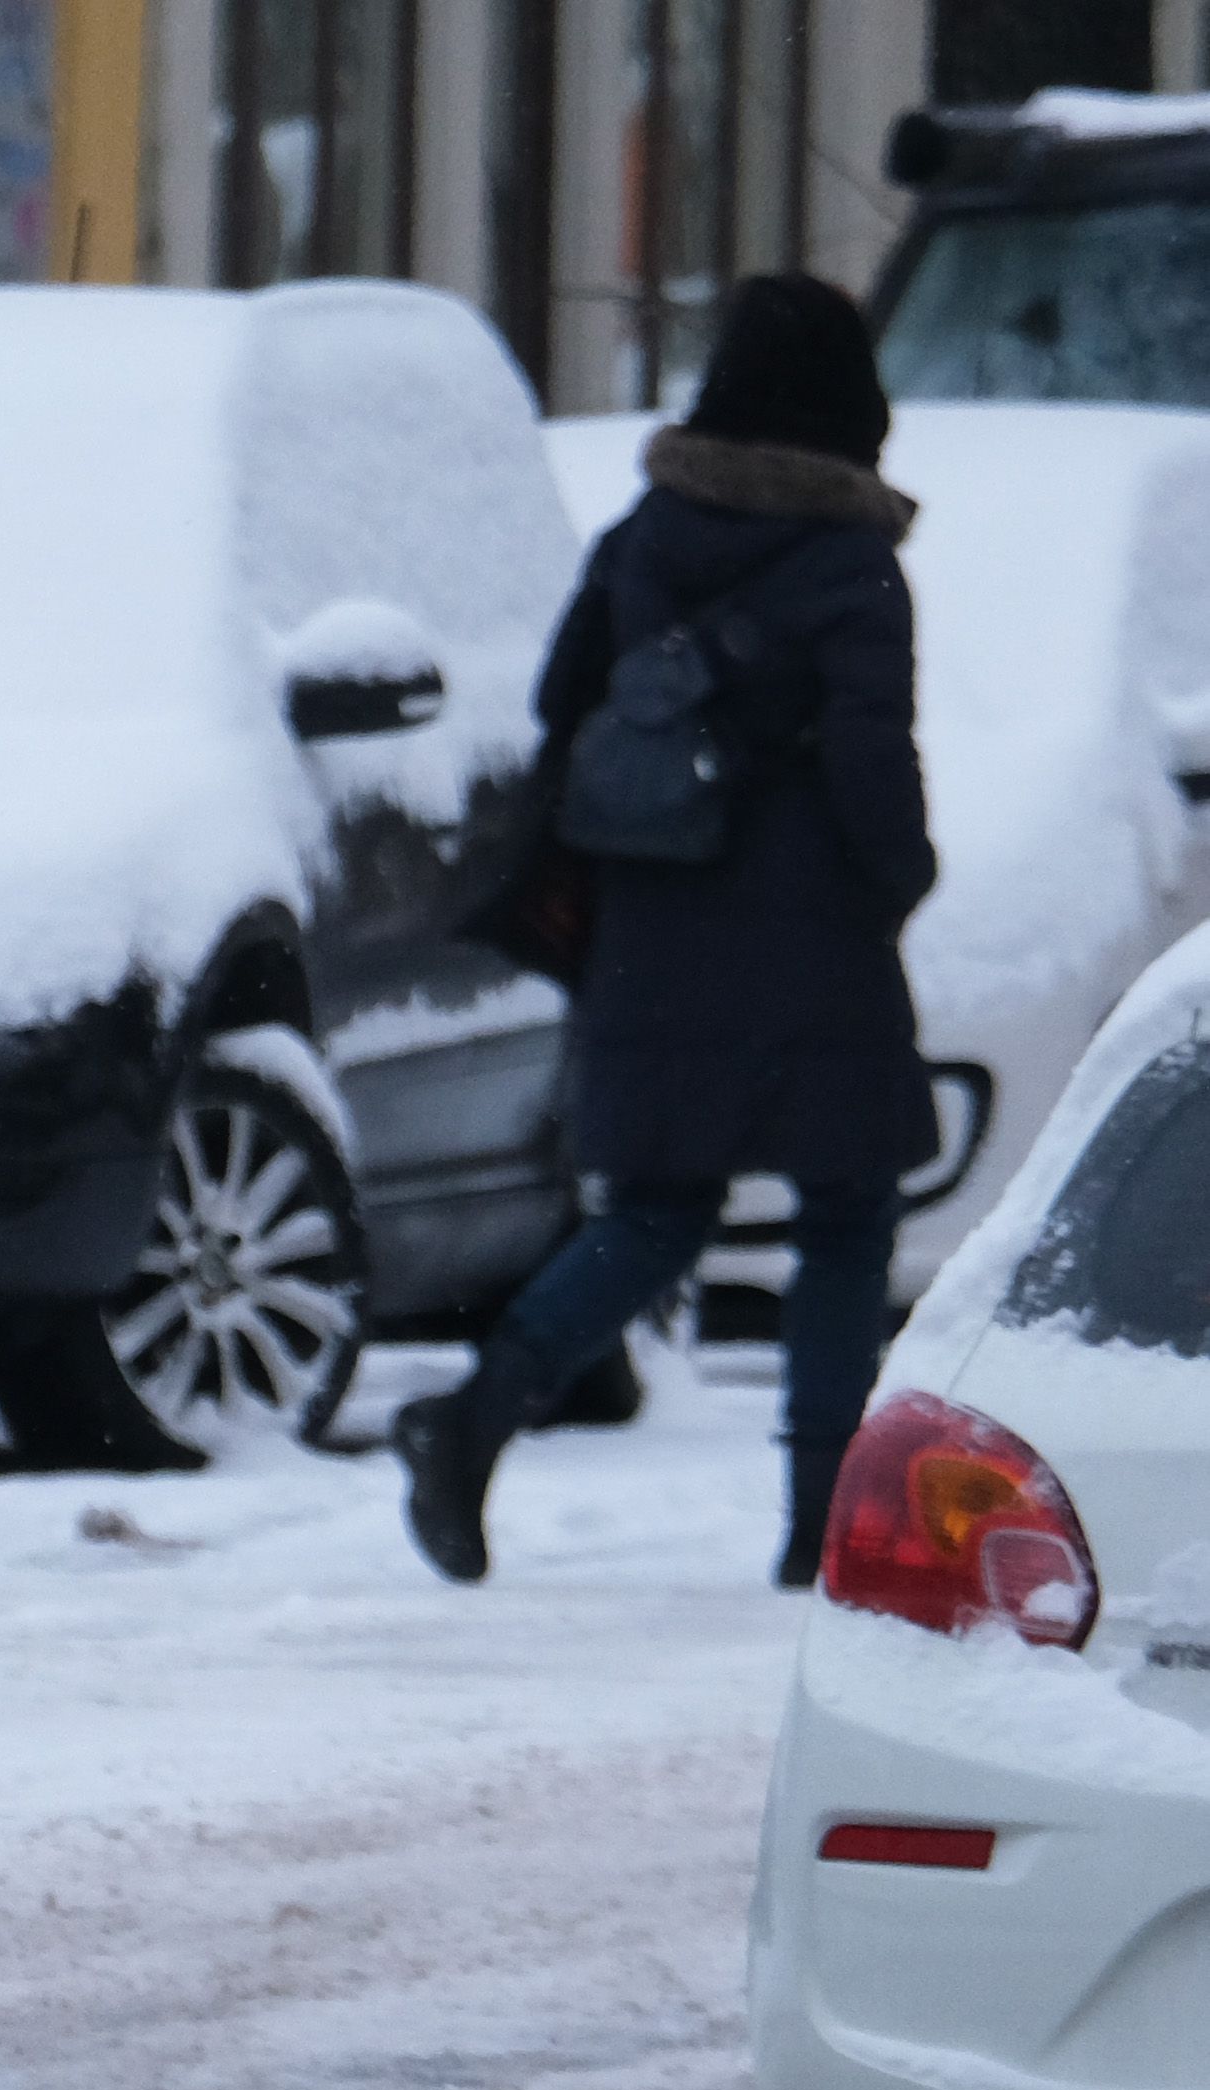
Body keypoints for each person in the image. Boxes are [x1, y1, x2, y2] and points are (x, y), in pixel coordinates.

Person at [399, 273, 937, 1590]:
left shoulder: (645, 536)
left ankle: (477, 1412)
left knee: (653, 1212)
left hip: (652, 928)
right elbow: (870, 758)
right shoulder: (850, 565)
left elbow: (560, 704)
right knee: (846, 1214)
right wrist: (896, 875)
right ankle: (821, 1523)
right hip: (812, 936)